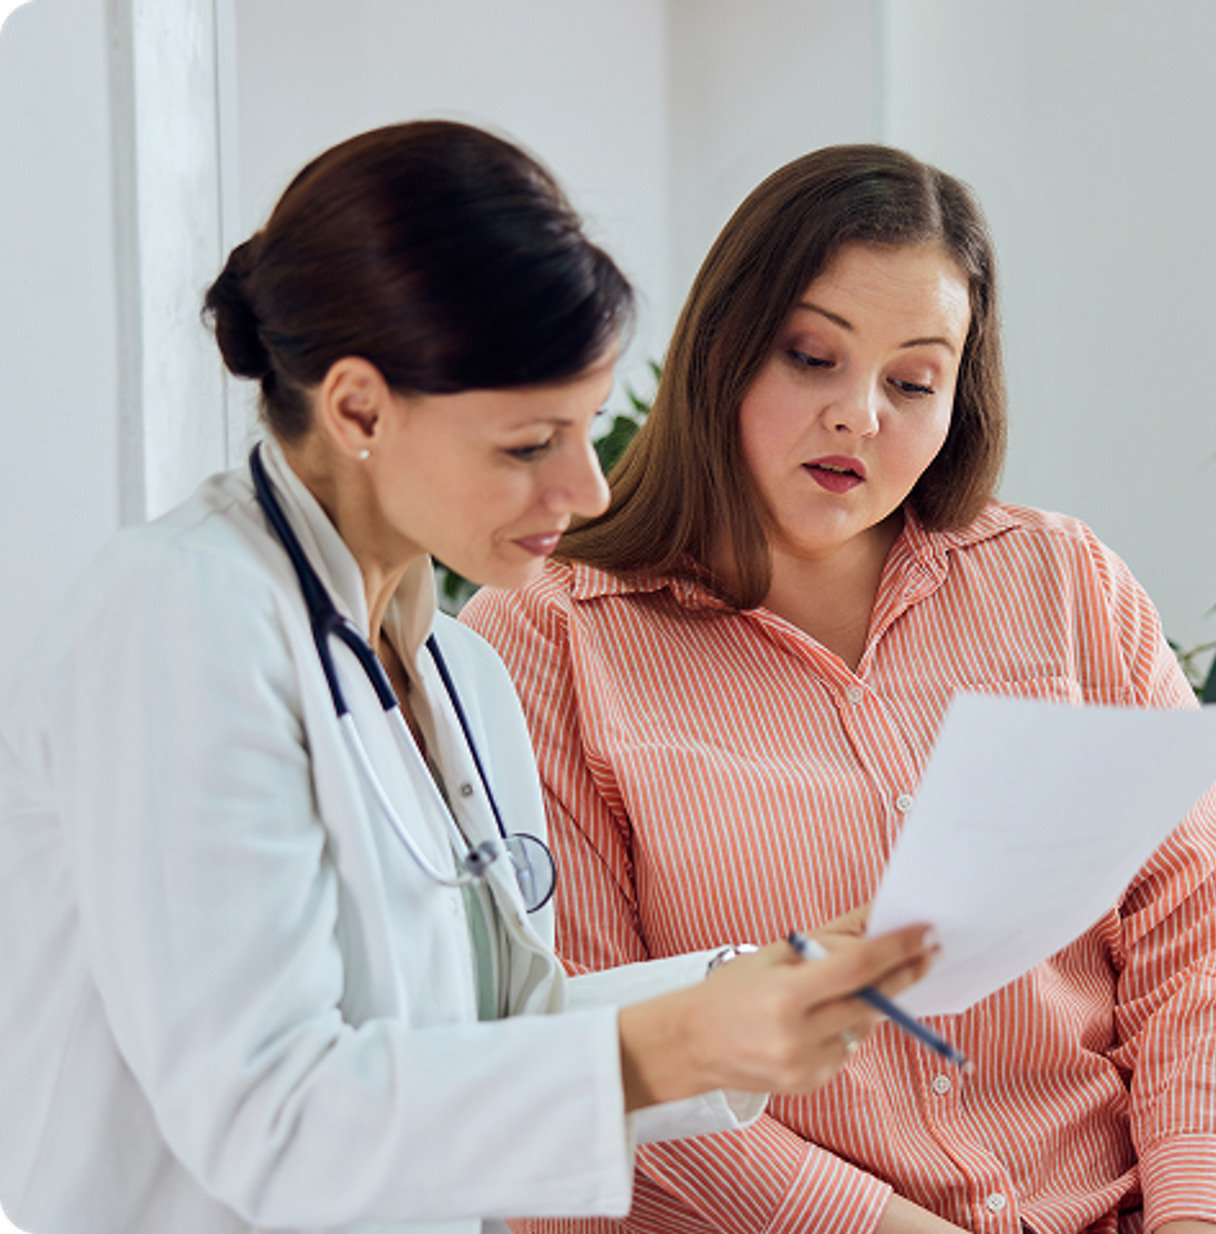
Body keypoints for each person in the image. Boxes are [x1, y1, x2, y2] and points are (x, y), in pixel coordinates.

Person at [0, 123, 939, 1234]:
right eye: (530, 442)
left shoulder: (461, 672)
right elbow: (272, 1120)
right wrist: (682, 1040)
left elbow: (502, 1025)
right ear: (357, 408)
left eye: (588, 429)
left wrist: (755, 983)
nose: (587, 488)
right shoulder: (178, 622)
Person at [461, 145, 1216, 1234]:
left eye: (912, 380)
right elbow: (591, 1055)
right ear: (721, 348)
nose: (861, 413)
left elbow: (1207, 944)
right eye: (812, 356)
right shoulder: (547, 638)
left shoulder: (1065, 584)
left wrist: (1204, 1213)